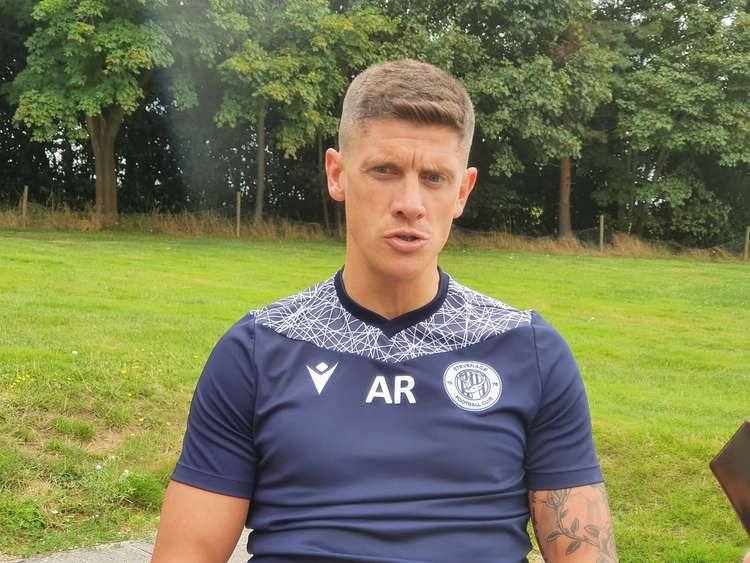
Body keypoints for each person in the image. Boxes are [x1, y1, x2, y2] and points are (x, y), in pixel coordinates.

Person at [152, 59, 617, 563]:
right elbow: (188, 552)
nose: (410, 203)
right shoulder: (256, 350)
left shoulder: (528, 349)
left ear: (462, 192)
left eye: (434, 177)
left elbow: (584, 554)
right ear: (337, 174)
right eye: (384, 171)